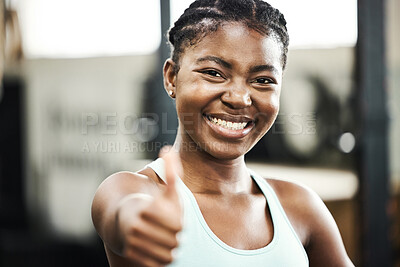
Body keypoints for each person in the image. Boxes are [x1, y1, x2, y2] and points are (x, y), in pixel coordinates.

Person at [91, 0, 354, 266]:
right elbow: (124, 213)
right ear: (172, 78)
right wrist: (139, 221)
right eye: (214, 73)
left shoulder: (299, 206)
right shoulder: (130, 190)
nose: (240, 98)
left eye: (263, 80)